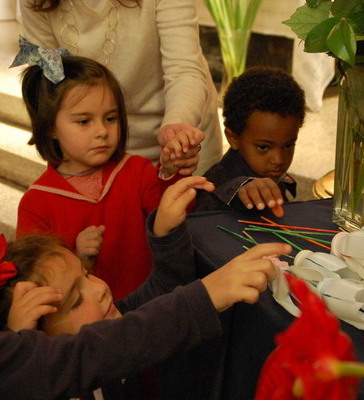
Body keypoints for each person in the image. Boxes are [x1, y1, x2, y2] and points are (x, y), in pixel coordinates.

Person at [0, 176, 291, 400]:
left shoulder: (114, 316)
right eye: (76, 300)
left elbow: (163, 291)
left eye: (87, 274)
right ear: (43, 347)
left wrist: (166, 232)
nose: (99, 289)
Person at [13, 48, 201, 300]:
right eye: (84, 121)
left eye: (110, 118)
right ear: (49, 128)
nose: (102, 131)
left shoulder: (136, 170)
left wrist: (171, 171)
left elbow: (176, 221)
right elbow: (33, 282)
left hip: (152, 306)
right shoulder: (36, 204)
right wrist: (75, 257)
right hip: (90, 330)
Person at [19, 0, 223, 175]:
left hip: (177, 141)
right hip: (96, 147)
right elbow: (47, 85)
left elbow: (183, 70)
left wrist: (177, 128)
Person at [195, 66, 306, 216]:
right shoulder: (213, 190)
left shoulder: (270, 173)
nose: (278, 160)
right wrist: (243, 188)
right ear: (233, 138)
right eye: (263, 147)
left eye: (288, 145)